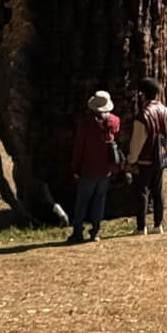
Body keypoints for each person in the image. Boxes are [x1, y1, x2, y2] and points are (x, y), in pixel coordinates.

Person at [69, 89, 120, 244]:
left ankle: (77, 231)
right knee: (99, 200)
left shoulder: (85, 124)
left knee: (83, 201)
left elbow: (79, 148)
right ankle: (96, 231)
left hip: (87, 168)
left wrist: (75, 168)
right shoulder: (114, 121)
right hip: (105, 169)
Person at [126, 75, 167, 235]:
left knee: (142, 192)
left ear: (142, 94)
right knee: (158, 191)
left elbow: (138, 140)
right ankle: (158, 224)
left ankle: (141, 227)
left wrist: (131, 159)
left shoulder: (143, 115)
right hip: (160, 157)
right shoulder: (165, 111)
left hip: (145, 159)